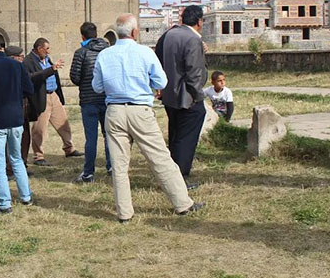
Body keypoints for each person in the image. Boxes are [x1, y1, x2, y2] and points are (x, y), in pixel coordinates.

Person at [93, 13, 204, 222]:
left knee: (119, 165)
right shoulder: (144, 52)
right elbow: (161, 82)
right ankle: (182, 204)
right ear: (135, 32)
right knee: (160, 158)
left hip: (115, 110)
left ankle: (124, 213)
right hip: (140, 110)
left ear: (117, 33)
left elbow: (97, 86)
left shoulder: (104, 55)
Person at [0, 40, 35, 214]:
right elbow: (29, 89)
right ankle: (26, 196)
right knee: (17, 159)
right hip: (16, 118)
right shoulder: (16, 65)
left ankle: (4, 203)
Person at [155, 5, 207, 186]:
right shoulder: (193, 39)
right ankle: (180, 178)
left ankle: (172, 175)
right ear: (199, 21)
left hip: (169, 94)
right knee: (186, 138)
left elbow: (159, 58)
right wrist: (198, 95)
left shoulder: (169, 34)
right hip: (187, 96)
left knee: (176, 134)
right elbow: (193, 73)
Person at [23, 37, 83, 166]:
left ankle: (69, 148)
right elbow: (32, 78)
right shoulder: (28, 61)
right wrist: (52, 69)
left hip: (53, 95)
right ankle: (38, 156)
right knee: (40, 128)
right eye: (47, 49)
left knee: (63, 123)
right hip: (41, 97)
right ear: (39, 49)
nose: (48, 51)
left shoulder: (46, 59)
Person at [70, 22, 112, 182]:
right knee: (109, 135)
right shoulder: (108, 51)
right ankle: (111, 166)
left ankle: (88, 172)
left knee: (91, 138)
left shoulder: (81, 53)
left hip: (88, 100)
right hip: (107, 98)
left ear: (82, 36)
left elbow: (74, 77)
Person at [4, 45, 32, 177]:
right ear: (13, 58)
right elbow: (28, 88)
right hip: (16, 107)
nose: (22, 59)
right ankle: (12, 168)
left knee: (23, 137)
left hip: (14, 107)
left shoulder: (18, 69)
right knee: (16, 138)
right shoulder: (16, 70)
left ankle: (20, 165)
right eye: (21, 57)